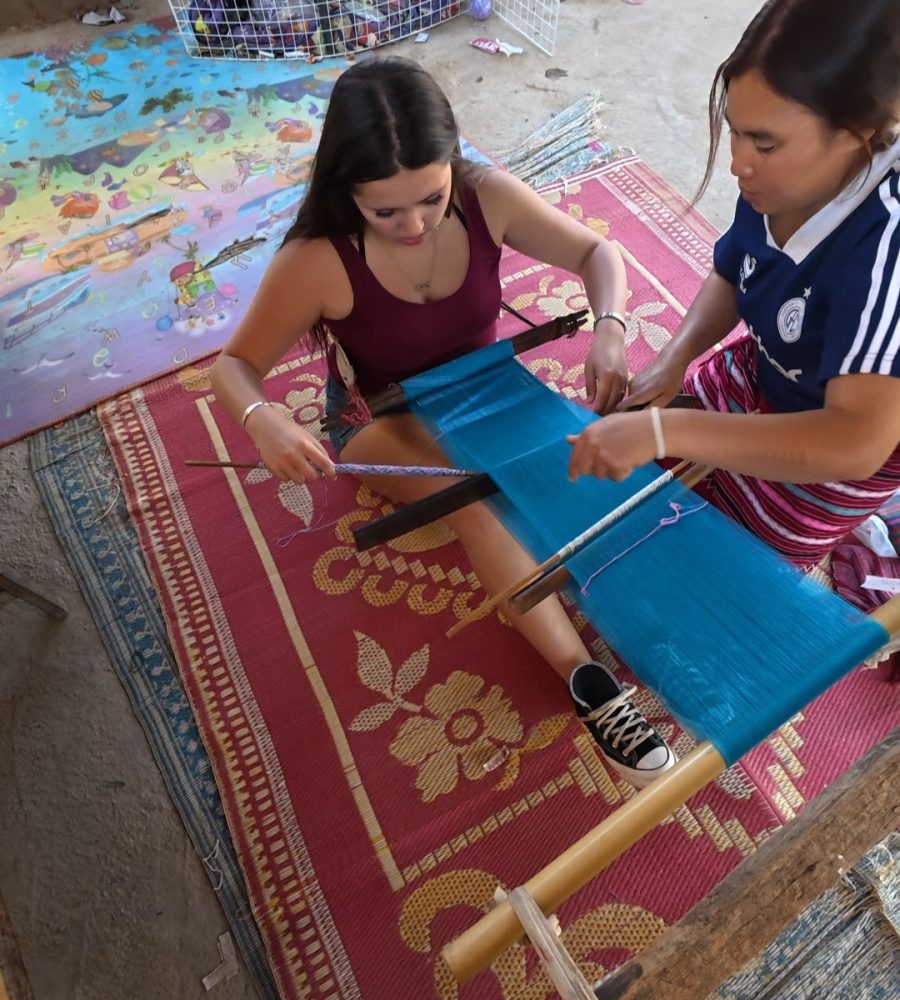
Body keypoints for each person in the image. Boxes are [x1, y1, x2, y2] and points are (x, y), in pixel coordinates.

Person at [209, 57, 675, 788]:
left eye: (431, 197)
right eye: (384, 212)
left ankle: (662, 616)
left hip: (489, 389)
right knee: (477, 499)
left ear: (454, 162)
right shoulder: (316, 260)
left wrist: (611, 328)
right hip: (381, 417)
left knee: (601, 463)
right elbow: (234, 366)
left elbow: (596, 252)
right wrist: (262, 417)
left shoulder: (486, 197)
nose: (415, 224)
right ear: (346, 192)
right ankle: (587, 682)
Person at [568, 0, 900, 572]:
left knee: (730, 568)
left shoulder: (885, 250)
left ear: (857, 134)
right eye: (736, 133)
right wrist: (674, 357)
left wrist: (665, 429)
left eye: (765, 145)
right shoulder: (783, 180)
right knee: (625, 452)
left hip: (838, 443)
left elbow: (855, 442)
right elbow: (735, 268)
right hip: (766, 372)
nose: (738, 164)